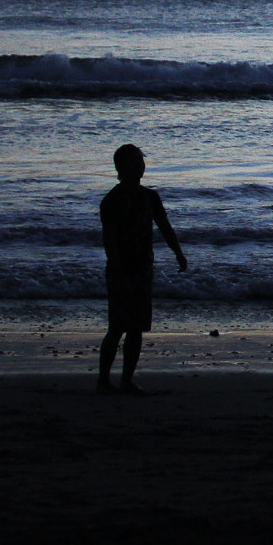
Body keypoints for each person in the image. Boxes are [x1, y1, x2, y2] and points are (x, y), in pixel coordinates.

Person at [98, 144, 188, 395]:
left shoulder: (150, 197)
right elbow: (110, 241)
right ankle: (103, 381)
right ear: (121, 167)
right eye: (135, 161)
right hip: (120, 270)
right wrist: (118, 272)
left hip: (143, 268)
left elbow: (165, 227)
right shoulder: (112, 201)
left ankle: (126, 381)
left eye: (141, 161)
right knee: (117, 327)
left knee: (137, 327)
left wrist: (178, 253)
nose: (140, 165)